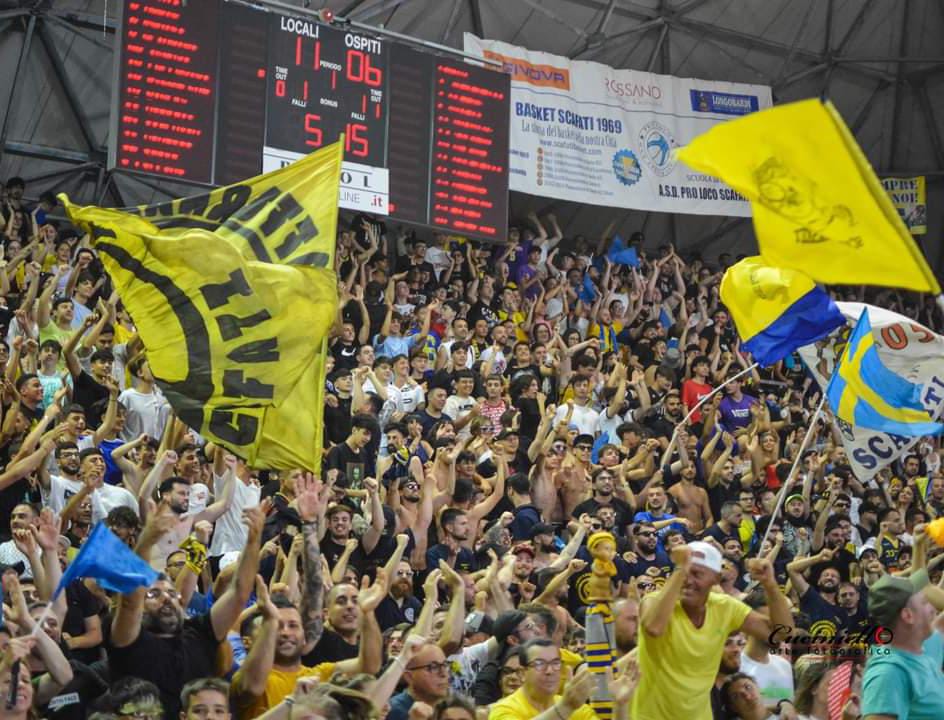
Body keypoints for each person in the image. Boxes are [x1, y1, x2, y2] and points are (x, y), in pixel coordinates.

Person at [634, 541, 793, 720]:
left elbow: (782, 633)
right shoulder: (654, 600)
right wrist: (681, 569)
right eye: (683, 571)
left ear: (716, 578)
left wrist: (770, 584)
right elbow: (654, 628)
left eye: (696, 574)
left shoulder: (724, 607)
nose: (687, 580)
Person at [861, 568, 944, 719]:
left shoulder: (920, 648)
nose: (934, 608)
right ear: (908, 615)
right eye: (925, 602)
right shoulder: (888, 673)